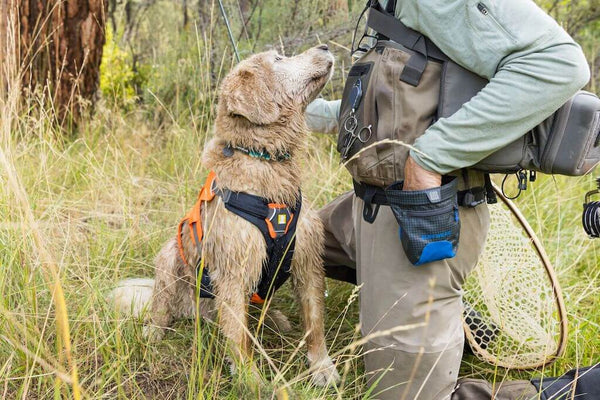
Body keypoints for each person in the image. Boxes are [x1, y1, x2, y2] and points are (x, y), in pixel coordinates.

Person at [306, 0, 590, 399]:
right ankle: (461, 327)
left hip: (419, 218)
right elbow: (392, 107)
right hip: (368, 208)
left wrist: (429, 158)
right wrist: (293, 111)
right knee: (297, 241)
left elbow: (558, 64)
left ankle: (577, 390)